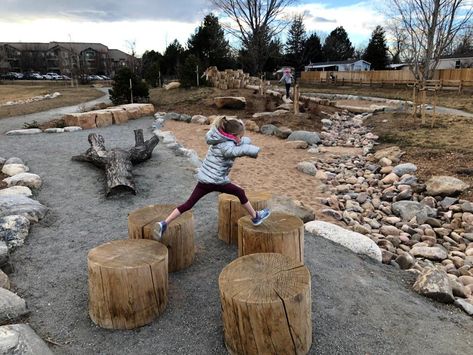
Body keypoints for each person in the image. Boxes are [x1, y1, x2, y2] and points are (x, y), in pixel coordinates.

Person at [153, 117, 271, 239]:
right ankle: (255, 217)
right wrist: (253, 149)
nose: (240, 139)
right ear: (233, 135)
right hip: (217, 181)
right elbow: (235, 151)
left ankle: (164, 223)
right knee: (240, 192)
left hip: (205, 180)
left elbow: (237, 143)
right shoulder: (227, 145)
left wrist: (244, 140)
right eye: (240, 137)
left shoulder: (217, 139)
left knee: (188, 204)